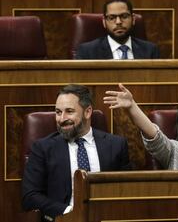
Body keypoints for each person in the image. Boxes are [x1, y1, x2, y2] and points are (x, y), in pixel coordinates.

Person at [21, 84, 131, 221]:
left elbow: (127, 191)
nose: (61, 119)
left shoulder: (116, 145)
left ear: (87, 112)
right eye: (58, 112)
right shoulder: (43, 148)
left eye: (69, 111)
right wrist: (69, 212)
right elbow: (30, 197)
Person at [75, 0, 160, 59]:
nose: (118, 22)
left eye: (124, 16)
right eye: (112, 18)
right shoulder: (87, 52)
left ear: (133, 19)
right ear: (104, 22)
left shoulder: (150, 50)